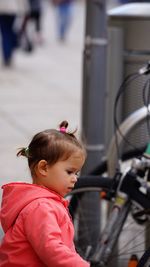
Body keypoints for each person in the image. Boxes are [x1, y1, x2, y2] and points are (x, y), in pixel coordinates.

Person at [0, 120, 90, 267]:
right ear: (43, 168)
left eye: (77, 172)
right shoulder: (41, 207)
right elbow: (52, 250)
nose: (75, 178)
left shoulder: (45, 202)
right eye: (69, 172)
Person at [0, 0, 29, 66]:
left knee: (5, 33)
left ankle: (7, 56)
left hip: (2, 9)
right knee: (9, 31)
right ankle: (9, 54)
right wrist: (25, 9)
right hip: (12, 9)